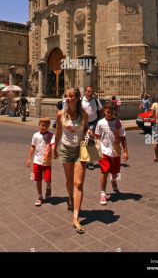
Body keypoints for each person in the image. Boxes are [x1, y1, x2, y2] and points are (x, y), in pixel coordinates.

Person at [54, 87, 89, 234]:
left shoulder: (84, 114)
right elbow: (58, 132)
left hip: (81, 150)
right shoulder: (61, 114)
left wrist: (88, 134)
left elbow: (86, 128)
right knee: (69, 180)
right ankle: (70, 197)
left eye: (71, 96)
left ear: (78, 98)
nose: (68, 98)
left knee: (78, 183)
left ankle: (75, 217)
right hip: (66, 149)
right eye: (66, 96)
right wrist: (54, 148)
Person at [95, 101, 128, 205]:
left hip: (115, 151)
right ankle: (103, 193)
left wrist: (126, 152)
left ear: (114, 112)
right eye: (107, 111)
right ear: (104, 111)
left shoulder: (118, 123)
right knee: (104, 172)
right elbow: (97, 136)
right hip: (104, 151)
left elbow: (123, 138)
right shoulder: (100, 123)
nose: (109, 114)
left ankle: (113, 180)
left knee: (115, 172)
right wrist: (97, 150)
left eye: (111, 112)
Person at [26, 117, 55, 206]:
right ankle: (40, 196)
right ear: (39, 125)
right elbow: (33, 147)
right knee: (38, 180)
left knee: (48, 179)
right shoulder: (35, 135)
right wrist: (29, 159)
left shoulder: (51, 135)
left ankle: (48, 187)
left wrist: (54, 152)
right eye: (42, 125)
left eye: (46, 125)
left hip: (47, 162)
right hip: (37, 161)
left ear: (49, 126)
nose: (44, 127)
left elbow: (53, 145)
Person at [81, 86, 103, 170]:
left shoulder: (96, 101)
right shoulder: (81, 101)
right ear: (85, 92)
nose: (90, 93)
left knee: (91, 142)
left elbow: (100, 110)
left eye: (91, 91)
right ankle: (84, 159)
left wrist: (99, 121)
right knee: (83, 142)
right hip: (84, 123)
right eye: (88, 91)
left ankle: (90, 162)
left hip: (93, 123)